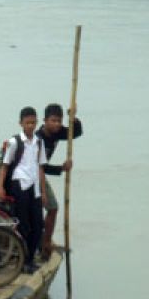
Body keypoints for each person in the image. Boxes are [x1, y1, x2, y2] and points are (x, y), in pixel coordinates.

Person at [0, 107, 47, 272]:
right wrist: (0, 187)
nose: (31, 126)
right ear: (21, 123)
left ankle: (31, 258)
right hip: (19, 184)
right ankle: (24, 261)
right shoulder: (14, 142)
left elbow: (40, 167)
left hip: (34, 186)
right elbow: (5, 166)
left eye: (33, 122)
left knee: (38, 225)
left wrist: (43, 192)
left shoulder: (39, 142)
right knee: (23, 224)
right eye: (28, 123)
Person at [38, 103, 83, 258]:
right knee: (52, 207)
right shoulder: (39, 139)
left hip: (40, 172)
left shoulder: (57, 133)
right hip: (33, 175)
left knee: (50, 209)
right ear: (45, 121)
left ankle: (45, 240)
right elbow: (40, 166)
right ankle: (45, 242)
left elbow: (75, 133)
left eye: (59, 121)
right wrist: (60, 169)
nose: (57, 124)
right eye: (53, 121)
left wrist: (73, 118)